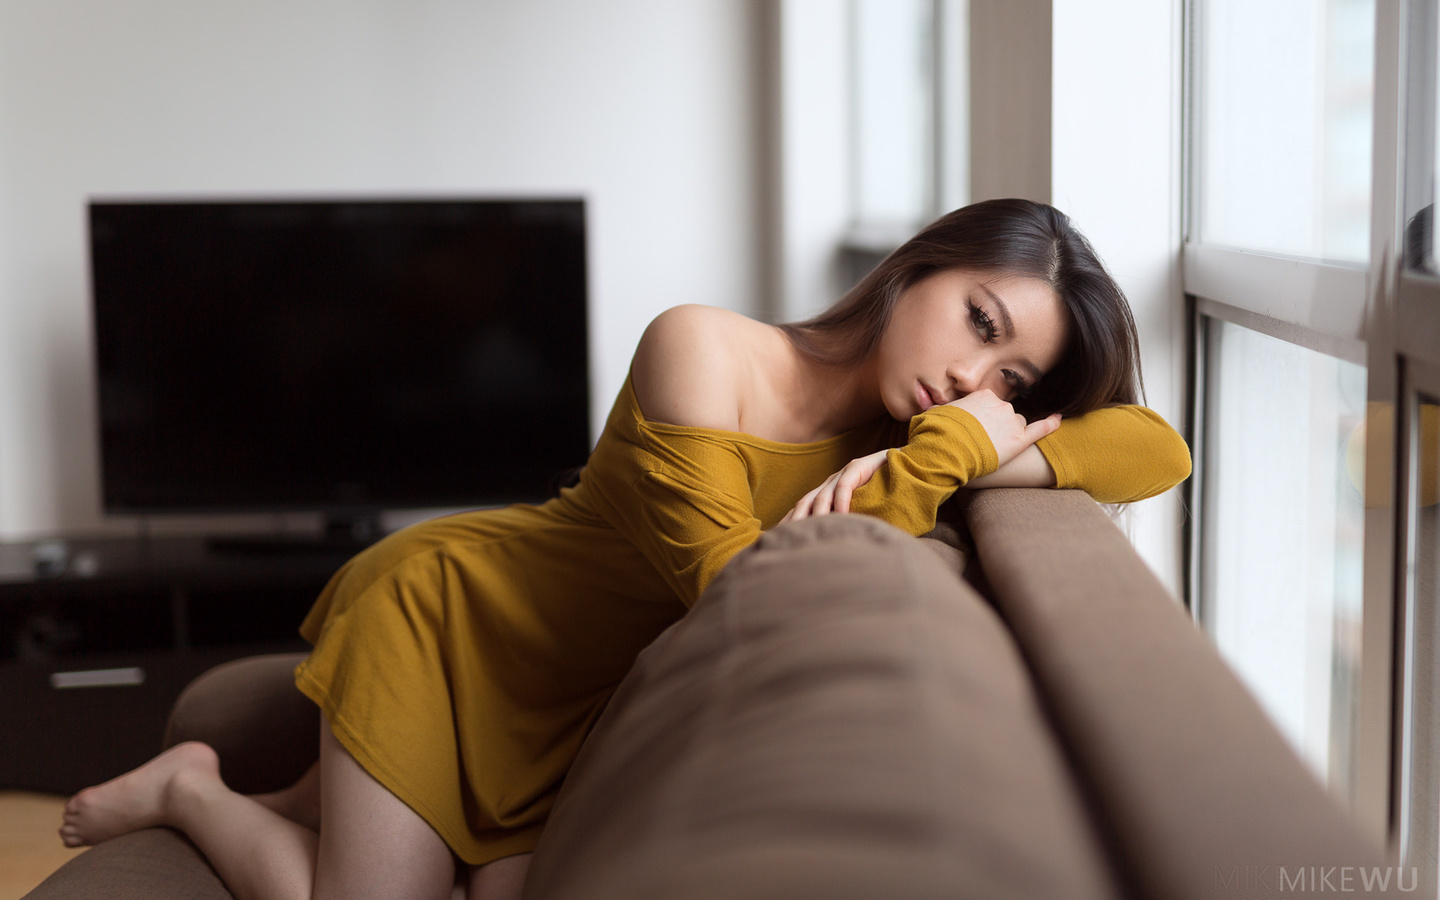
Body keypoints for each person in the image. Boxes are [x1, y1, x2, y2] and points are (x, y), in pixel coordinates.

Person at [57, 198, 1191, 900]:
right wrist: (952, 450)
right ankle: (190, 792)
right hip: (463, 622)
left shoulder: (896, 452)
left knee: (352, 823)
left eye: (1013, 384)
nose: (971, 381)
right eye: (979, 322)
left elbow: (1156, 449)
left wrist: (954, 448)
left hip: (578, 706)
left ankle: (297, 795)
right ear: (919, 268)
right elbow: (735, 590)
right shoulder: (703, 349)